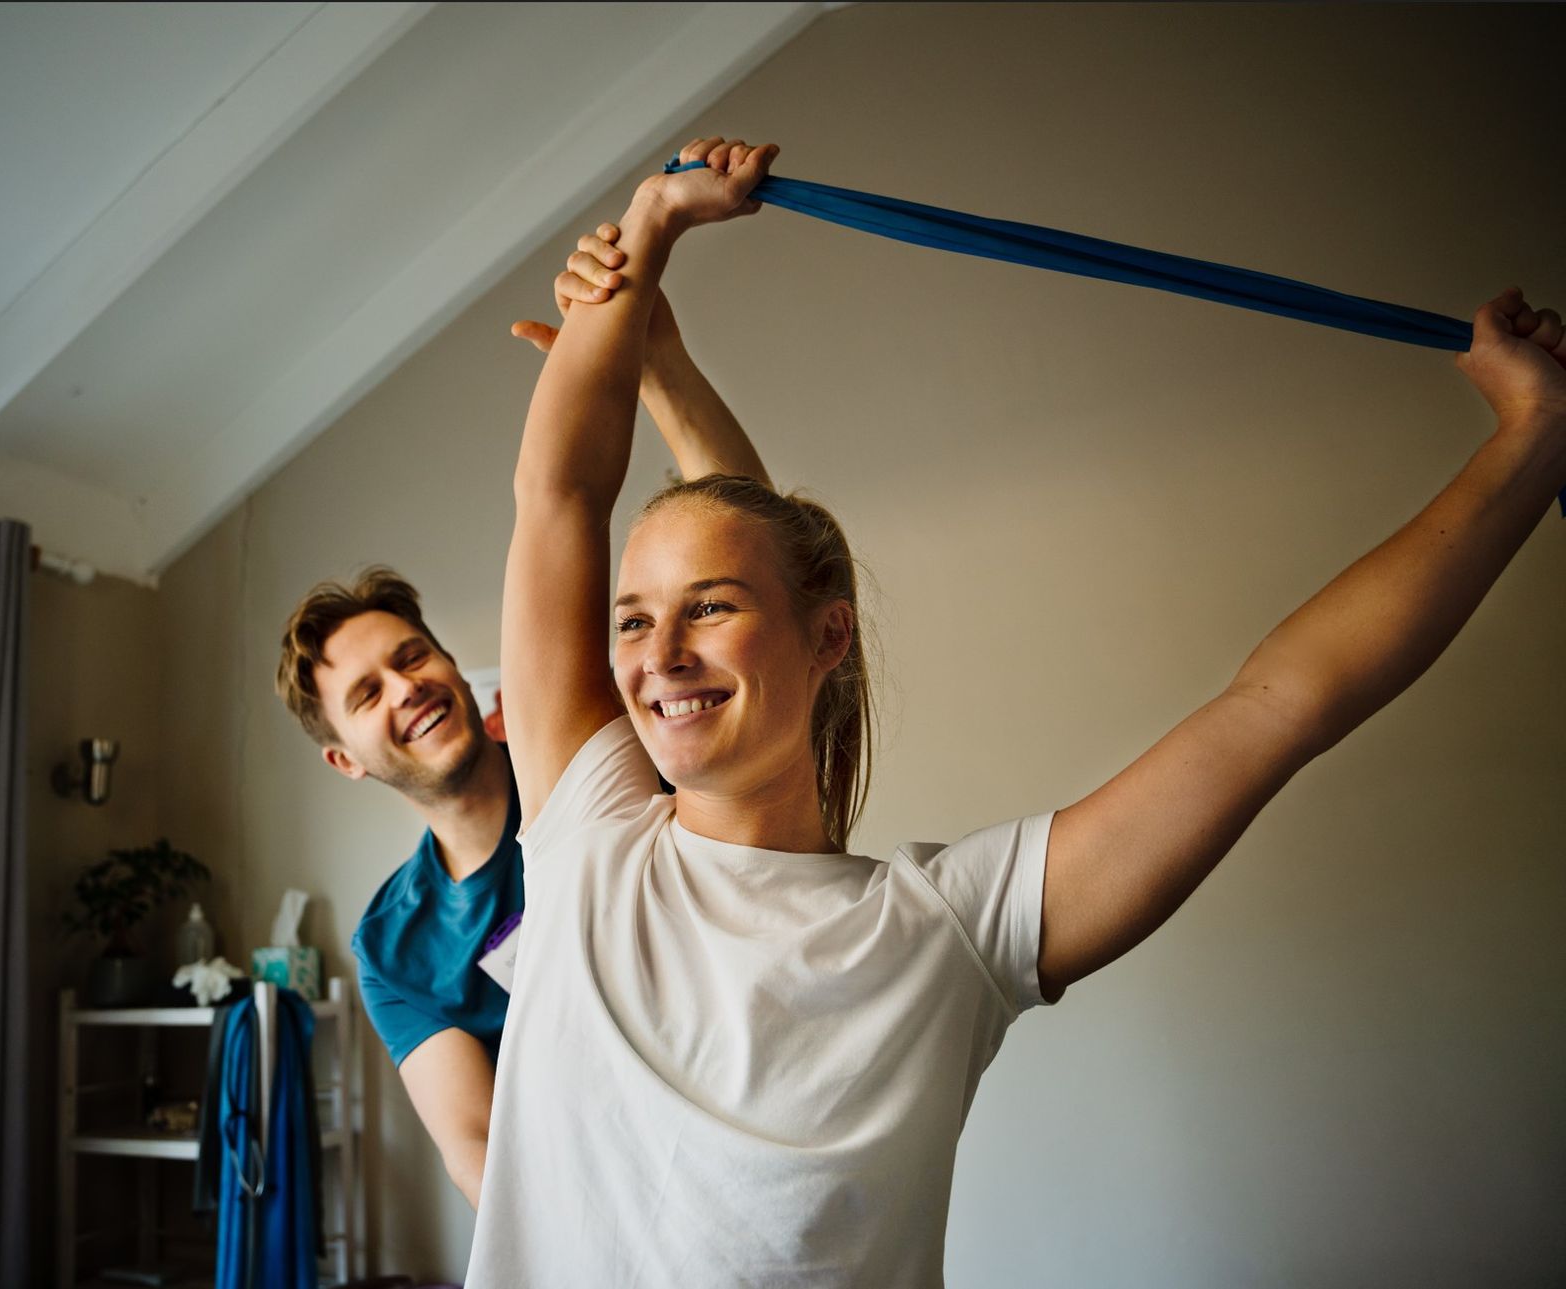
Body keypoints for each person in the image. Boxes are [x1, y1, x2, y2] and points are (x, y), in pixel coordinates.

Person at [469, 135, 1566, 1285]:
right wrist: (645, 238)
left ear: (828, 637)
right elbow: (559, 496)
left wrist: (1534, 440)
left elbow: (1285, 700)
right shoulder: (590, 838)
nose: (658, 655)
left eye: (708, 609)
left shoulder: (949, 927)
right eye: (632, 620)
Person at [274, 228, 769, 1209]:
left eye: (411, 656)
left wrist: (657, 362)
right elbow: (479, 1147)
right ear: (345, 757)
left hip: (749, 1134)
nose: (406, 686)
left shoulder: (599, 744)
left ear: (455, 664)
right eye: (368, 692)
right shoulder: (394, 945)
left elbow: (748, 547)